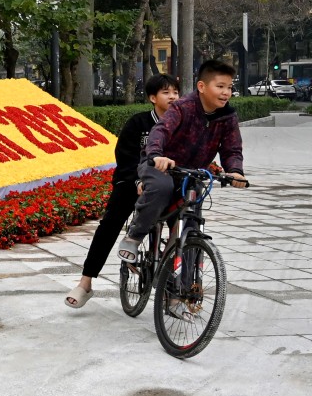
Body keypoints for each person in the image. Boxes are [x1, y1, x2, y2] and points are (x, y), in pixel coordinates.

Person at [65, 73, 181, 308]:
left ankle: (170, 286)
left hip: (166, 184)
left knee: (181, 225)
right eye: (166, 92)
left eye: (176, 92)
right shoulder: (138, 123)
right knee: (110, 224)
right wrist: (137, 182)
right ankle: (85, 283)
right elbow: (125, 159)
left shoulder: (182, 123)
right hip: (132, 182)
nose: (172, 97)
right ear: (152, 97)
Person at [117, 59, 247, 268]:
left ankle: (184, 292)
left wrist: (235, 171)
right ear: (202, 87)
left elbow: (231, 148)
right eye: (220, 86)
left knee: (192, 224)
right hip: (160, 166)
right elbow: (160, 131)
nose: (226, 92)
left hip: (192, 173)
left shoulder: (228, 117)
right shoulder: (182, 107)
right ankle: (134, 236)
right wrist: (157, 155)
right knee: (162, 187)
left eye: (229, 87)